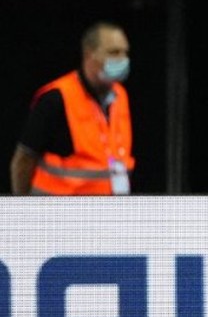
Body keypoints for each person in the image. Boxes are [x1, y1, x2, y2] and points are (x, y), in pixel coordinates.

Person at [10, 21, 134, 196]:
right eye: (114, 52)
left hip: (107, 215)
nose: (123, 59)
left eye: (125, 52)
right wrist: (23, 213)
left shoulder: (120, 96)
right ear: (89, 55)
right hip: (59, 215)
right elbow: (23, 161)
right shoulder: (56, 99)